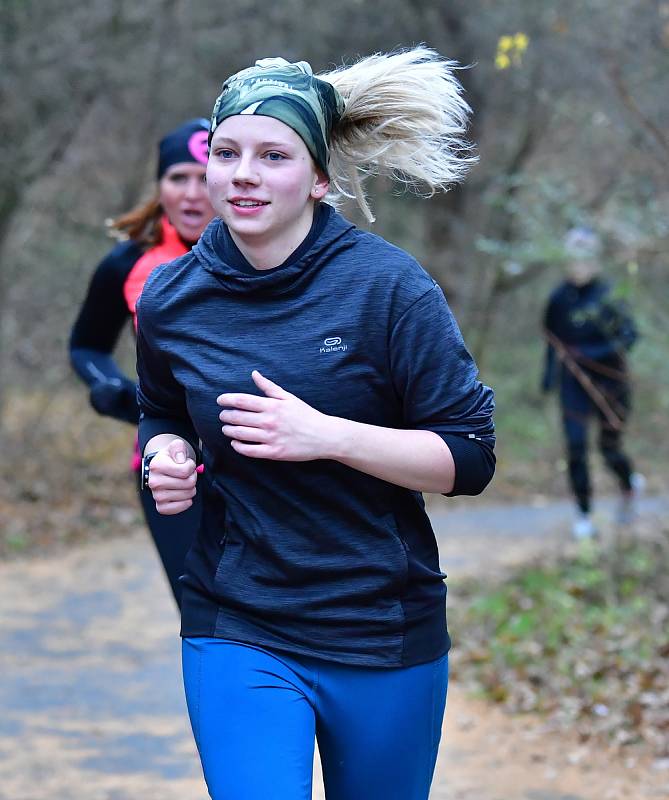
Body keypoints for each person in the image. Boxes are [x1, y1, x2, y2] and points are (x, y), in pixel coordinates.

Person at [137, 50, 495, 800]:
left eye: (273, 156)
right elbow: (163, 410)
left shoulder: (388, 289)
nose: (244, 174)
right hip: (237, 618)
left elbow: (467, 456)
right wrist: (165, 454)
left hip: (380, 626)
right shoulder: (172, 298)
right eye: (226, 153)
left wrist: (327, 435)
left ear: (319, 179)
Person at [69, 119, 215, 606]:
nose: (192, 193)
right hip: (170, 460)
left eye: (204, 174)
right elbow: (86, 344)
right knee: (201, 608)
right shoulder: (127, 263)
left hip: (264, 457)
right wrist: (110, 388)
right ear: (160, 187)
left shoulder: (267, 253)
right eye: (178, 178)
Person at [542, 226, 642, 539]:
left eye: (585, 256)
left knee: (609, 448)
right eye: (574, 256)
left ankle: (628, 485)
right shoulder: (558, 298)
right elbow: (552, 340)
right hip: (573, 383)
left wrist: (591, 353)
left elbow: (630, 335)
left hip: (611, 383)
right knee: (575, 446)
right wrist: (547, 378)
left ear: (595, 260)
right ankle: (584, 516)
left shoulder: (609, 295)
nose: (579, 263)